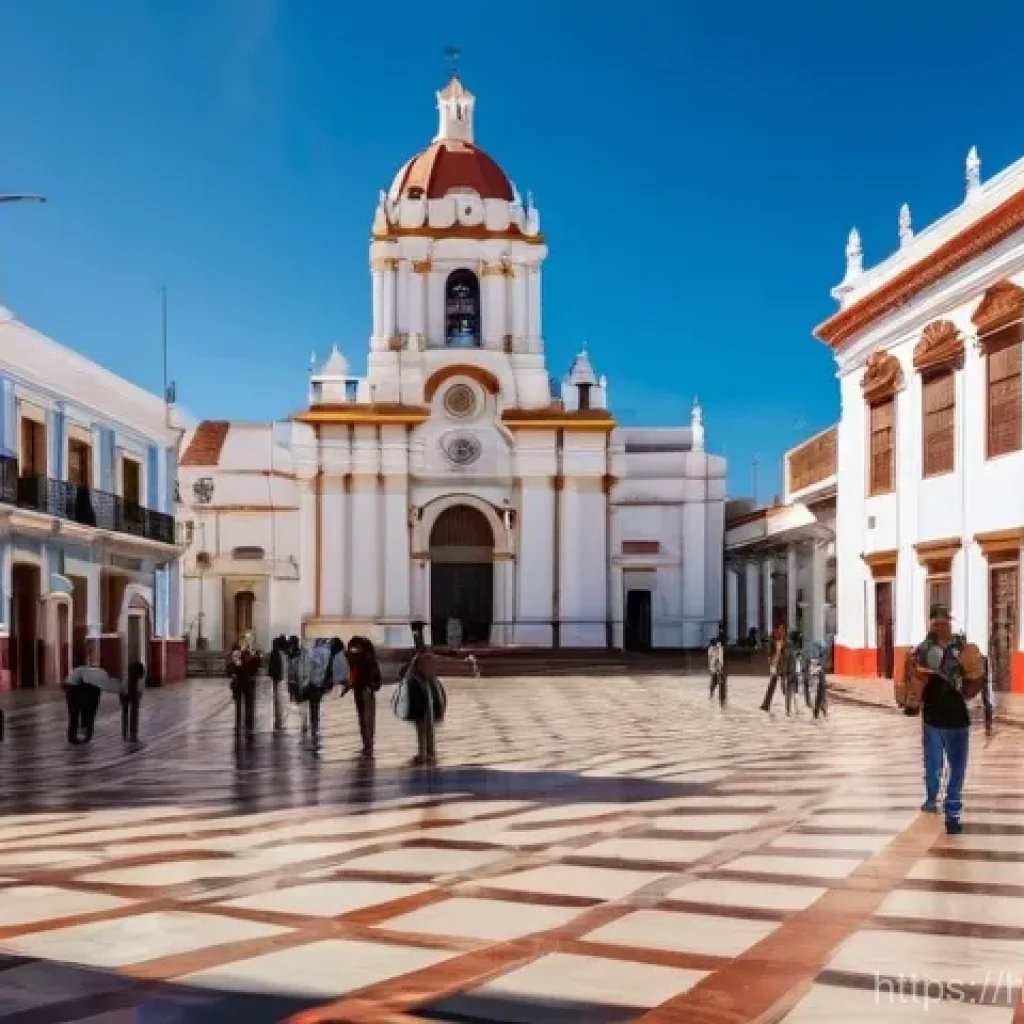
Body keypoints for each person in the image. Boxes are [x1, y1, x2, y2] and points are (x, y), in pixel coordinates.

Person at [913, 606, 981, 835]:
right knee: (933, 766)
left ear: (950, 624)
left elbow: (972, 686)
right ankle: (932, 798)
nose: (940, 625)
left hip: (957, 719)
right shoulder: (922, 650)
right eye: (936, 622)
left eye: (944, 622)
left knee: (957, 769)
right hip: (931, 718)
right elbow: (913, 680)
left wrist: (975, 677)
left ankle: (952, 813)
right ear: (930, 624)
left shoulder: (964, 649)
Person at [403, 620, 446, 766]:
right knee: (427, 727)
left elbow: (408, 674)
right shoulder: (426, 656)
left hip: (422, 696)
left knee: (422, 727)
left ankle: (424, 754)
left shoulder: (419, 657)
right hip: (428, 696)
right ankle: (430, 752)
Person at [64, 654, 121, 744]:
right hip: (74, 686)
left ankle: (74, 736)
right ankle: (81, 735)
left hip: (72, 685)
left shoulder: (97, 674)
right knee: (80, 712)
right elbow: (93, 697)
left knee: (74, 713)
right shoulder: (99, 677)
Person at [346, 636, 382, 756]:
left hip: (366, 691)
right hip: (360, 690)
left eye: (356, 647)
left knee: (366, 719)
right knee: (363, 719)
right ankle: (367, 744)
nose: (353, 649)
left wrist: (371, 686)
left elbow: (376, 678)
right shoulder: (358, 660)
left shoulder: (367, 661)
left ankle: (368, 745)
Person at [760, 624, 788, 712]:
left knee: (776, 683)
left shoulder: (780, 641)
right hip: (778, 664)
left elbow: (775, 654)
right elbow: (773, 654)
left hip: (779, 664)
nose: (781, 631)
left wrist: (772, 663)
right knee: (776, 683)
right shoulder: (777, 641)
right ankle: (766, 704)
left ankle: (766, 704)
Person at [268, 635, 288, 732]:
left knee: (279, 702)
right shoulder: (280, 654)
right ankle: (280, 722)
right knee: (280, 702)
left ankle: (279, 721)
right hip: (280, 679)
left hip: (280, 679)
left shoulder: (278, 653)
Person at [121, 661, 145, 742]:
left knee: (125, 712)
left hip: (125, 693)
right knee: (133, 712)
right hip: (128, 693)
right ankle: (131, 734)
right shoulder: (139, 680)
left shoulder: (128, 678)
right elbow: (140, 692)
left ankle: (125, 733)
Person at [708, 628, 726, 706]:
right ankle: (712, 694)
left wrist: (719, 665)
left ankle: (719, 696)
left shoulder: (719, 648)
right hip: (715, 667)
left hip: (718, 667)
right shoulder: (711, 649)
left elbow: (719, 658)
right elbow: (712, 658)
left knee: (719, 682)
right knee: (714, 682)